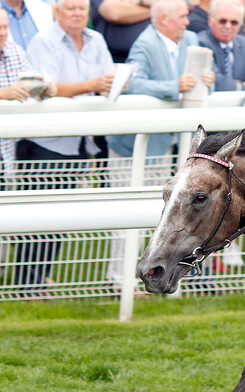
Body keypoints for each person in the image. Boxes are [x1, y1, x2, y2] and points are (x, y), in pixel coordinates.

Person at [105, 0, 215, 285]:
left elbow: (199, 82)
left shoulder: (190, 40)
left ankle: (160, 273)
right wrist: (173, 86)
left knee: (160, 217)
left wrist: (208, 80)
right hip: (131, 148)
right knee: (126, 214)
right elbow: (133, 83)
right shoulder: (144, 43)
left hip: (165, 145)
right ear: (163, 19)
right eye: (181, 17)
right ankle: (119, 279)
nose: (188, 22)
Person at [15, 0, 113, 295]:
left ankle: (40, 279)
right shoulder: (43, 41)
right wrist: (91, 84)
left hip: (79, 141)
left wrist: (95, 84)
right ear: (57, 11)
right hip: (44, 140)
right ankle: (27, 285)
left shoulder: (96, 39)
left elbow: (109, 81)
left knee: (59, 219)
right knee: (37, 218)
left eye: (82, 8)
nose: (77, 13)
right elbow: (48, 89)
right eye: (70, 8)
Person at [1, 9, 55, 181]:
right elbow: (8, 93)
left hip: (7, 149)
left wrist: (45, 90)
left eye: (5, 28)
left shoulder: (15, 51)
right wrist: (4, 93)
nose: (2, 33)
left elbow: (33, 83)